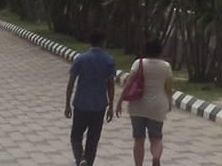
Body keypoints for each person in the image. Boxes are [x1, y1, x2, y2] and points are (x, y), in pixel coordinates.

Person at [116, 37, 175, 166]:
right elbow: (169, 87)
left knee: (138, 139)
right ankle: (156, 157)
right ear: (160, 51)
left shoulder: (139, 63)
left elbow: (129, 83)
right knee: (156, 138)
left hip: (138, 105)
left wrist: (120, 101)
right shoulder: (166, 66)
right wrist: (170, 102)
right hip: (158, 106)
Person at [64, 30, 117, 166]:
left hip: (81, 104)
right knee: (93, 140)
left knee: (75, 137)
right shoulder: (109, 60)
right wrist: (111, 106)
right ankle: (88, 162)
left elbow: (71, 83)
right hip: (99, 106)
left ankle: (81, 159)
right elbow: (111, 85)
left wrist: (67, 104)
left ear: (90, 42)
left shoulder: (80, 59)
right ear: (102, 42)